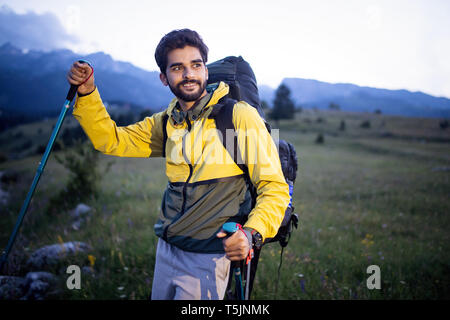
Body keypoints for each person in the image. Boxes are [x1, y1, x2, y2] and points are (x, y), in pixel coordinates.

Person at [67, 28, 290, 300]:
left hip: (208, 257)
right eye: (178, 67)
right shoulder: (167, 122)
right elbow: (111, 140)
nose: (189, 74)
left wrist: (251, 234)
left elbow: (274, 187)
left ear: (205, 71)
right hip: (167, 249)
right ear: (164, 77)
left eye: (196, 65)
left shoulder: (238, 118)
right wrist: (88, 93)